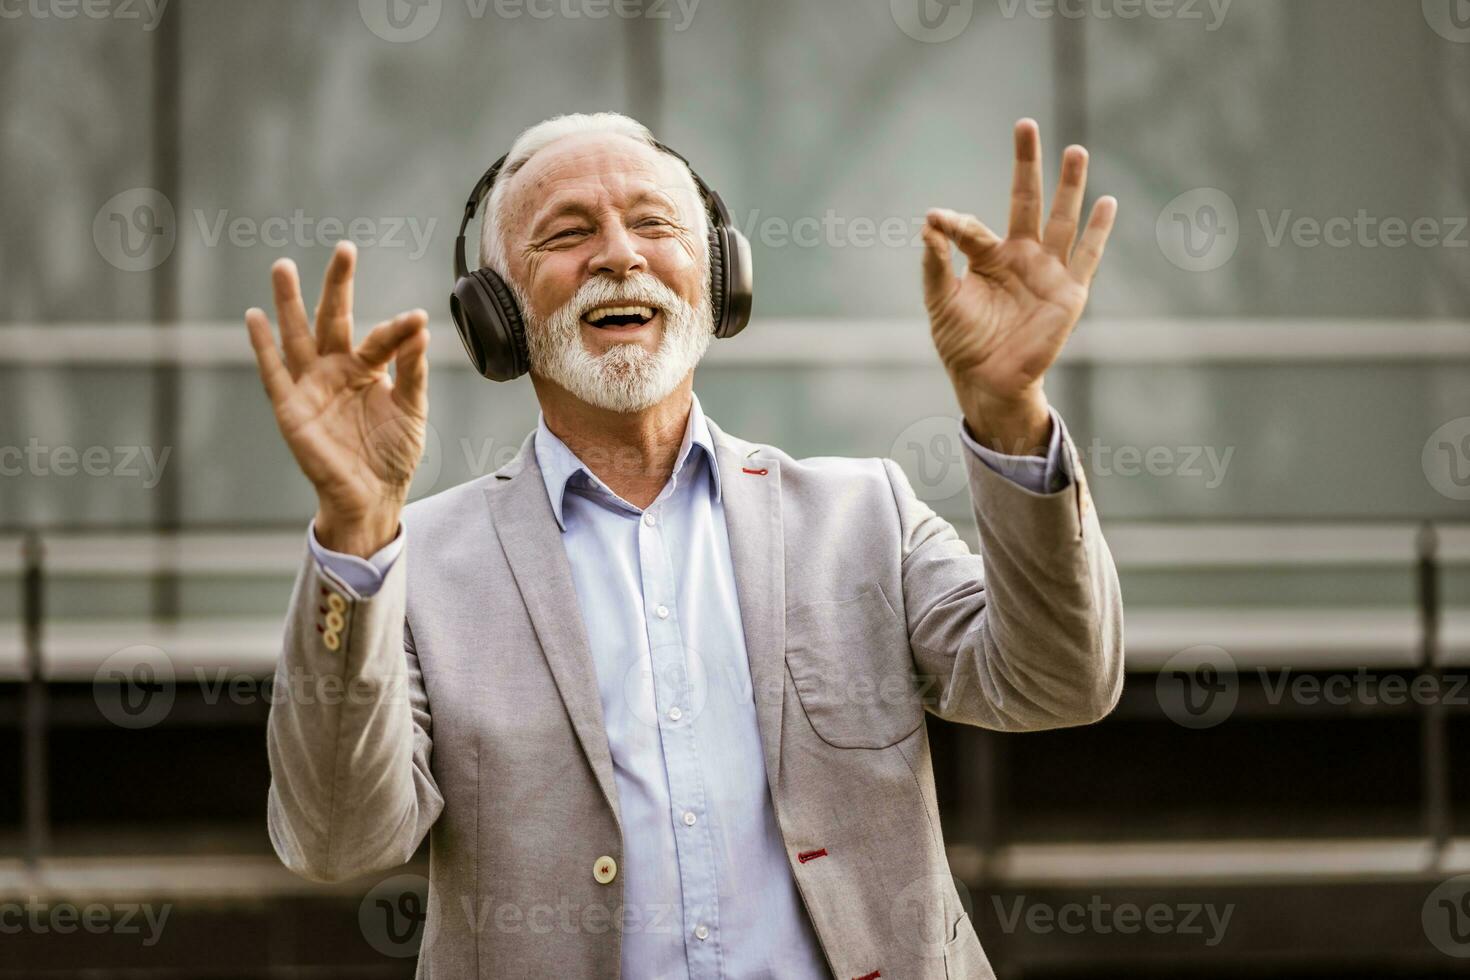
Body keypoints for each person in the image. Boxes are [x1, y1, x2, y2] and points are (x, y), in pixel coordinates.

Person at [245, 111, 1123, 980]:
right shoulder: (418, 563)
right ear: (495, 315)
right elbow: (336, 839)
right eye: (568, 232)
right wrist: (356, 532)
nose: (620, 254)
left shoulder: (865, 515)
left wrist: (1012, 413)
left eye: (655, 224)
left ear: (719, 279)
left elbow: (1057, 681)